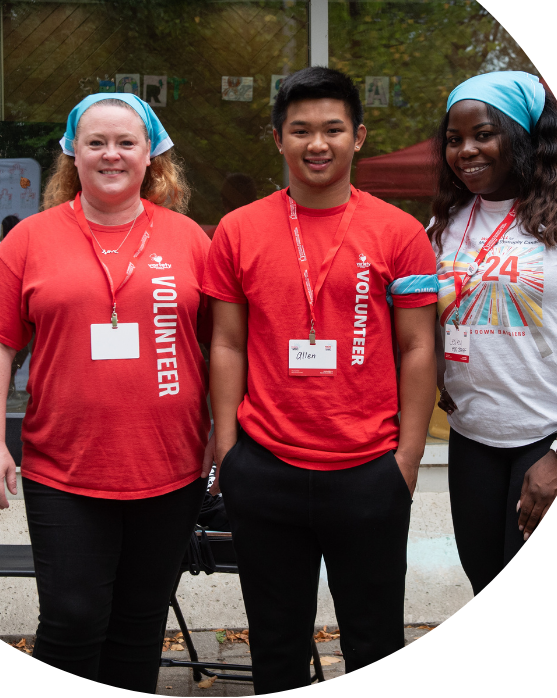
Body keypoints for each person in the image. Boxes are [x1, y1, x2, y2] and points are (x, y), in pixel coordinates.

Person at [203, 66, 438, 691]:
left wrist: (408, 458)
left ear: (358, 137)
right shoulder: (238, 230)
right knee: (275, 646)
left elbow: (418, 347)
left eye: (333, 129)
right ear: (277, 138)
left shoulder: (401, 232)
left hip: (369, 470)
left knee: (375, 639)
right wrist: (227, 450)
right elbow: (226, 342)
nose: (317, 143)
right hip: (265, 467)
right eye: (301, 129)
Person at [0, 93, 213, 690]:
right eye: (96, 142)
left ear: (151, 155)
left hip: (170, 467)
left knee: (140, 626)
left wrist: (221, 435)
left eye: (126, 143)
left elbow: (222, 345)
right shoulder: (30, 239)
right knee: (72, 621)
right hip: (64, 469)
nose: (111, 155)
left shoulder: (190, 240)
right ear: (72, 154)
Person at [428, 71, 557, 595]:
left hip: (552, 433)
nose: (466, 151)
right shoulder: (446, 221)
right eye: (455, 139)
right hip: (473, 436)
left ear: (525, 134)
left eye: (484, 134)